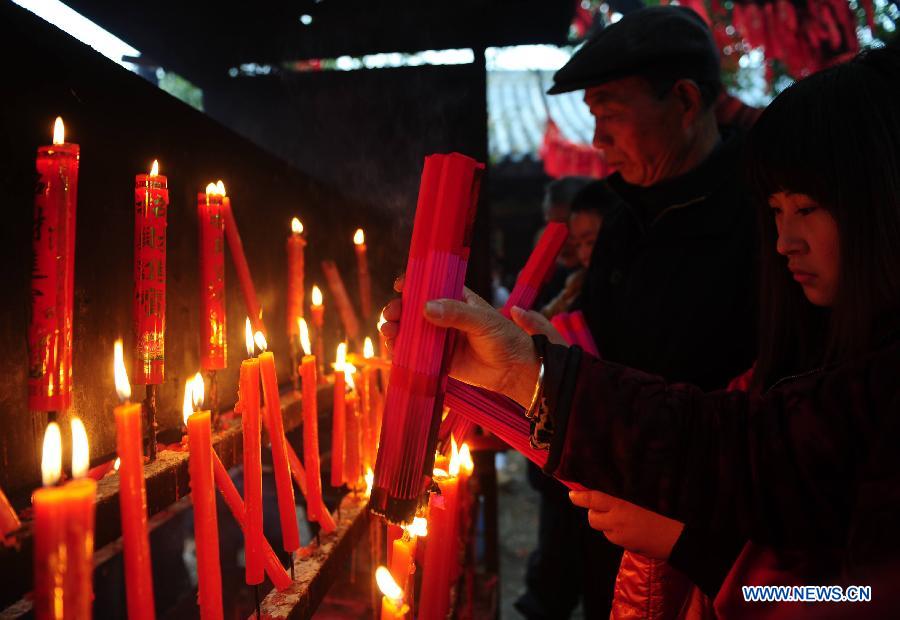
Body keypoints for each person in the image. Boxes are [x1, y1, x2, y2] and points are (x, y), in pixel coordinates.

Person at [381, 43, 900, 616]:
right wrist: (540, 377)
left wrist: (696, 547)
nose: (784, 242)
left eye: (806, 209)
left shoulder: (859, 371)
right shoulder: (624, 228)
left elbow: (852, 596)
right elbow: (723, 428)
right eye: (776, 212)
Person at [526, 5, 761, 617]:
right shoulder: (619, 219)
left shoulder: (764, 218)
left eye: (610, 113)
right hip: (614, 534)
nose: (597, 140)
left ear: (684, 101)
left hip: (713, 550)